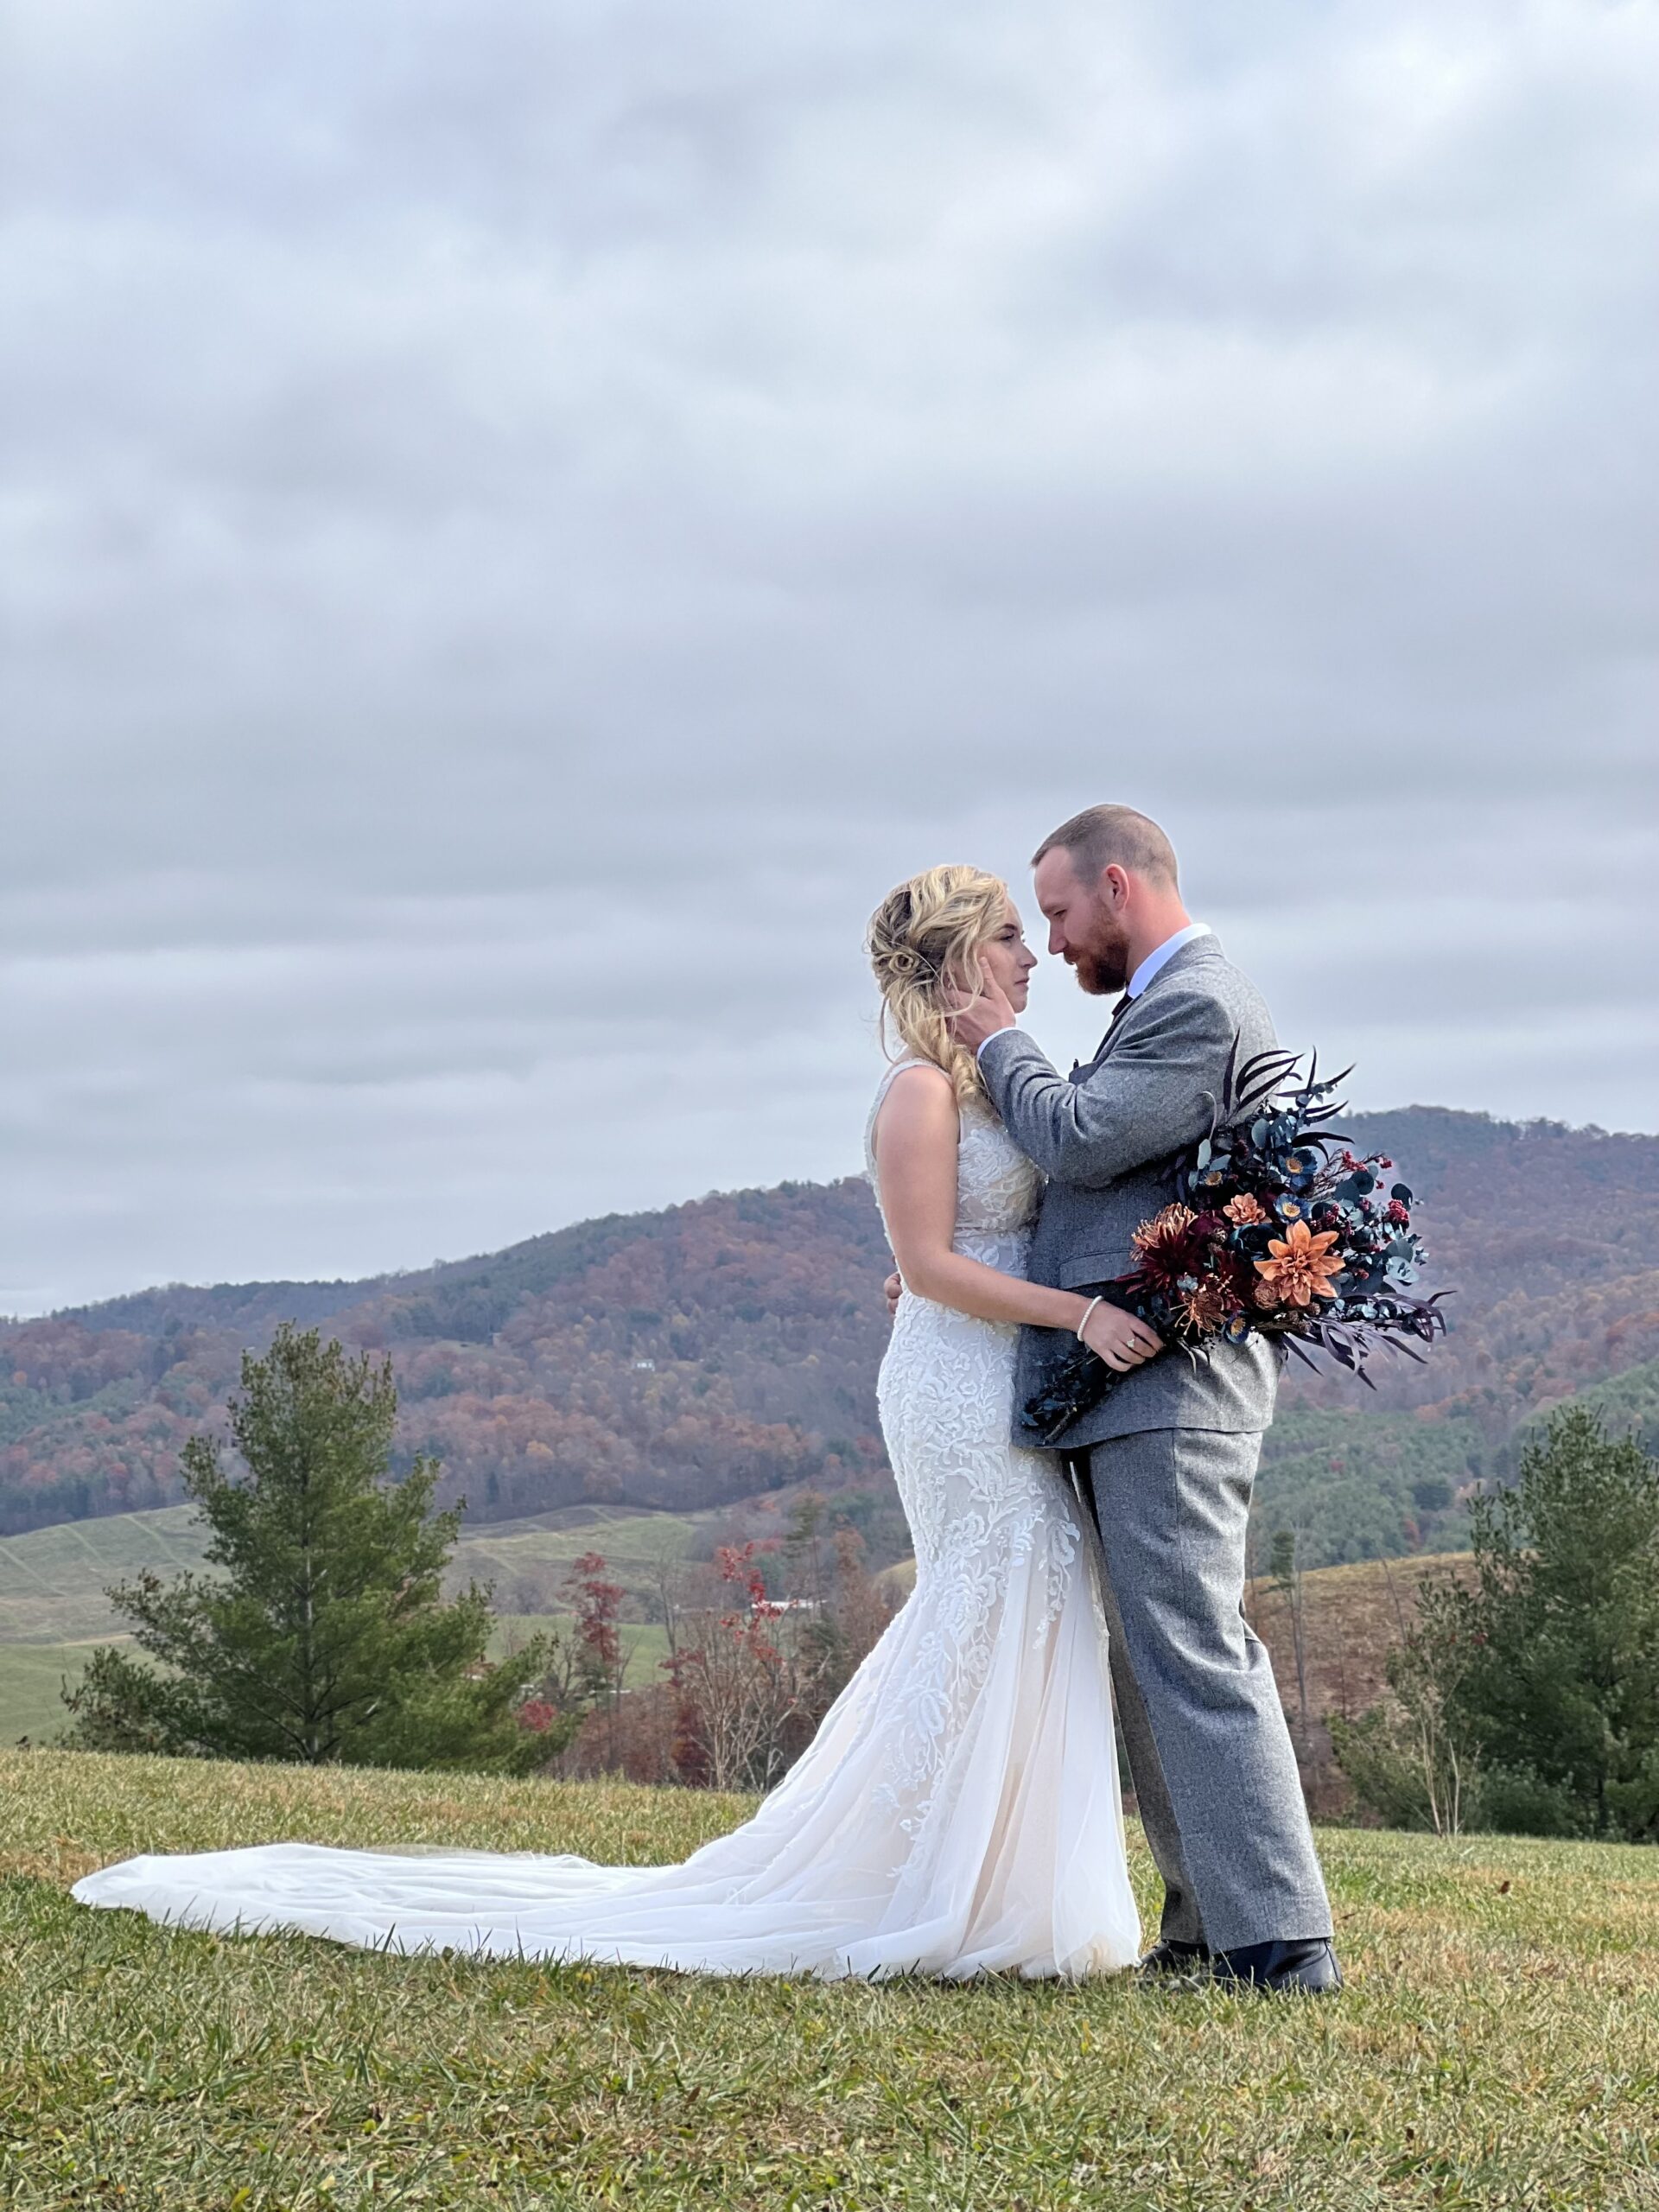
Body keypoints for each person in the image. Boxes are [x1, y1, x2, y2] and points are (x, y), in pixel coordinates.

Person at [73, 861, 1143, 1980]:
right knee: (1003, 1580)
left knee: (1027, 1587)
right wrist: (1080, 1315)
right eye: (1012, 936)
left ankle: (986, 1880)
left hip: (1002, 1370)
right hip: (953, 1386)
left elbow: (985, 1238)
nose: (1033, 956)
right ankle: (940, 1884)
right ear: (964, 953)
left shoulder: (996, 1087)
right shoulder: (921, 1092)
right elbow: (925, 1266)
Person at [938, 803, 1339, 1995]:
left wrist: (997, 1039)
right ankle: (1208, 1927)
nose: (1053, 945)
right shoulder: (1154, 1009)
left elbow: (1078, 1141)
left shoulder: (1195, 1004)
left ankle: (1283, 1941)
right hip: (1129, 1390)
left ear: (1116, 886)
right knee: (1150, 1663)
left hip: (1176, 1389)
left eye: (1057, 913)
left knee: (1194, 1650)